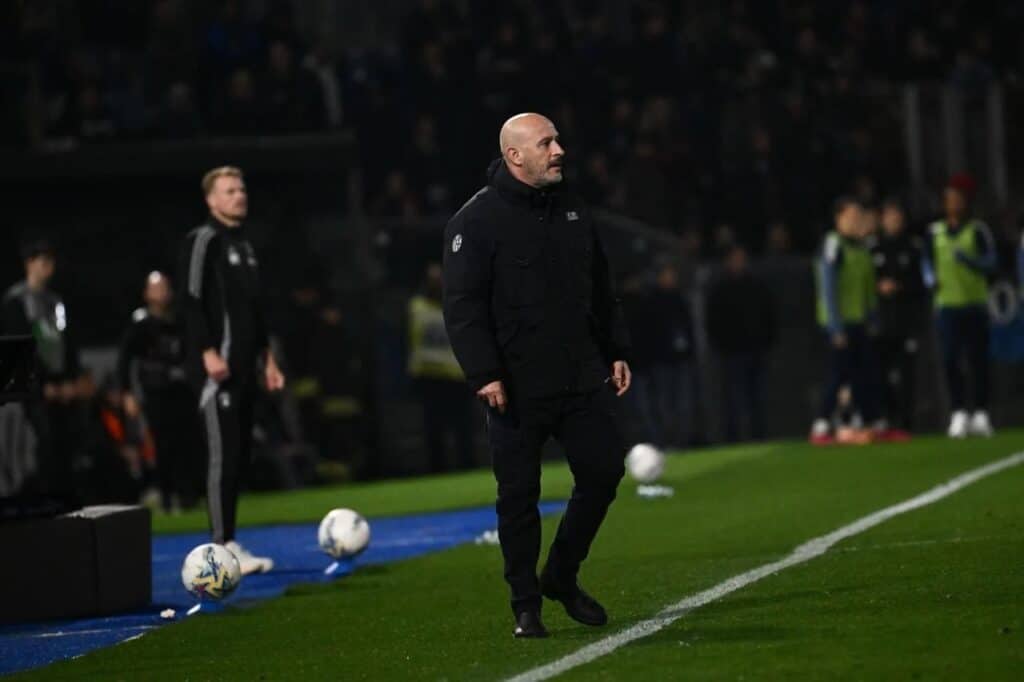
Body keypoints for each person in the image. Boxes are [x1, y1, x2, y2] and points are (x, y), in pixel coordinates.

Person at [442, 113, 632, 639]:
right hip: (515, 387)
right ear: (515, 156)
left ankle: (561, 575)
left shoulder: (573, 206)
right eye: (546, 142)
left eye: (557, 140)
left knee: (603, 473)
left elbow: (600, 284)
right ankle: (526, 605)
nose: (559, 150)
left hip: (578, 376)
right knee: (518, 497)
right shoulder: (474, 221)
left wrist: (614, 349)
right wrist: (484, 372)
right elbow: (462, 307)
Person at [179, 166, 286, 575]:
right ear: (211, 200)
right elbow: (190, 300)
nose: (239, 195)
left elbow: (256, 311)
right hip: (216, 369)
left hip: (244, 367)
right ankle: (219, 546)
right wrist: (206, 351)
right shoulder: (202, 241)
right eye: (230, 190)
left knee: (239, 455)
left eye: (241, 188)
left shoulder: (244, 245)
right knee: (222, 456)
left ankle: (229, 541)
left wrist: (269, 359)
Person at [2, 239, 84, 499]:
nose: (49, 267)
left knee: (64, 443)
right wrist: (41, 383)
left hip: (60, 387)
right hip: (33, 389)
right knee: (39, 443)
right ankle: (40, 497)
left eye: (51, 261)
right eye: (43, 261)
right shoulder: (16, 300)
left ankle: (64, 496)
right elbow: (19, 344)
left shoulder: (55, 301)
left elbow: (65, 340)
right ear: (29, 263)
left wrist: (71, 378)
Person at [117, 271, 202, 512]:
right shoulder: (141, 324)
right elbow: (125, 360)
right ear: (146, 293)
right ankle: (166, 497)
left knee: (188, 442)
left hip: (182, 392)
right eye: (155, 287)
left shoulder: (179, 321)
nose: (161, 292)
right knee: (163, 445)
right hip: (156, 394)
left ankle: (189, 496)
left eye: (164, 286)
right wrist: (127, 393)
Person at [926, 174, 997, 438]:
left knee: (978, 360)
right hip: (948, 306)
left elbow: (992, 263)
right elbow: (926, 263)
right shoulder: (935, 232)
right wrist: (930, 279)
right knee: (950, 359)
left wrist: (970, 261)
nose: (953, 204)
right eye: (949, 200)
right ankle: (958, 412)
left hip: (975, 304)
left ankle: (980, 411)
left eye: (958, 199)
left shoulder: (977, 230)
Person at [810, 197, 880, 444]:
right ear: (838, 219)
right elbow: (828, 288)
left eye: (857, 217)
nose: (855, 222)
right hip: (840, 322)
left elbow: (868, 286)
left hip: (858, 319)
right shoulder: (833, 244)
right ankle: (821, 422)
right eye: (850, 217)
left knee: (862, 373)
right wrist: (835, 326)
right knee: (837, 374)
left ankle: (867, 420)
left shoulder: (861, 246)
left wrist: (872, 317)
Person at [705, 244, 776, 442]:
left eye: (742, 258)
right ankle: (732, 439)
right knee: (733, 400)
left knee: (758, 398)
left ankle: (759, 437)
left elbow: (769, 315)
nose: (739, 262)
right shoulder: (720, 289)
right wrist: (722, 346)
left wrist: (767, 340)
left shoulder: (757, 286)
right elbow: (713, 323)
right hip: (732, 353)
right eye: (735, 258)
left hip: (756, 350)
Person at [408, 263, 475, 471]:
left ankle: (467, 467)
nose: (437, 283)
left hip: (457, 377)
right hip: (430, 378)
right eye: (433, 280)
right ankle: (437, 469)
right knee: (433, 429)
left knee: (463, 428)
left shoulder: (457, 305)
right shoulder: (417, 306)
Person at [869, 199, 928, 435]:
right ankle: (887, 416)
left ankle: (905, 422)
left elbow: (923, 283)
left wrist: (901, 286)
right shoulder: (872, 248)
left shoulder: (913, 247)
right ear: (882, 219)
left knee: (907, 375)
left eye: (897, 216)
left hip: (906, 321)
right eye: (889, 216)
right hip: (881, 322)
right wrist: (878, 286)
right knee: (880, 373)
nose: (893, 220)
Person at [627, 263, 697, 448]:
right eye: (667, 275)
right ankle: (667, 441)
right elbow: (650, 334)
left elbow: (688, 329)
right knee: (664, 404)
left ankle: (682, 441)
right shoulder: (651, 302)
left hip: (681, 360)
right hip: (662, 362)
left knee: (683, 404)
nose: (670, 278)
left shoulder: (680, 299)